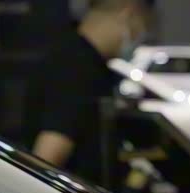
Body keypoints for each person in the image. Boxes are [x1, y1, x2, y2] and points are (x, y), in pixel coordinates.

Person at [23, 0, 154, 182]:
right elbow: (46, 160)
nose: (142, 34)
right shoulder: (76, 70)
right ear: (128, 15)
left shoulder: (83, 61)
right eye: (144, 25)